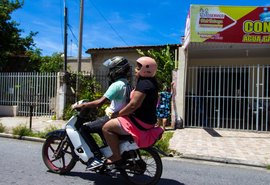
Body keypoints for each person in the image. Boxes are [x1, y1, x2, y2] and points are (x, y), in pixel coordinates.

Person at [72, 56, 132, 170]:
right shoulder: (127, 84)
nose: (109, 71)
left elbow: (100, 102)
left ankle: (96, 157)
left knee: (84, 129)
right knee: (97, 124)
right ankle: (106, 150)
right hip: (120, 117)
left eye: (111, 68)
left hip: (112, 118)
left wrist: (82, 105)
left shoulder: (117, 85)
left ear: (117, 70)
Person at [102, 56, 164, 164]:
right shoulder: (151, 82)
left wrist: (118, 114)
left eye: (138, 67)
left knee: (107, 128)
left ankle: (116, 155)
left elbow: (133, 105)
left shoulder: (144, 84)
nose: (135, 69)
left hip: (139, 122)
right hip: (146, 120)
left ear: (145, 69)